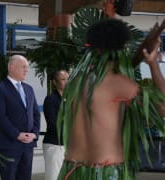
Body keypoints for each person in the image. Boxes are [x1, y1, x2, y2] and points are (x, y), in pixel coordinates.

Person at [57, 19, 165, 179]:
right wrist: (153, 63)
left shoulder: (76, 82)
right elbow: (162, 107)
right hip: (106, 172)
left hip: (72, 170)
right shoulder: (119, 84)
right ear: (121, 48)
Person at [0, 54, 40, 180]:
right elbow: (0, 117)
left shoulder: (29, 89)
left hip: (28, 145)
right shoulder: (0, 88)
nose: (26, 70)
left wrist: (34, 134)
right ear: (11, 67)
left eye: (27, 67)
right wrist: (17, 135)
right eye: (23, 66)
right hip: (9, 145)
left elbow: (36, 114)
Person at [43, 70, 69, 180]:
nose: (67, 82)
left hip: (69, 145)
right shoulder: (51, 100)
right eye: (63, 79)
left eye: (68, 79)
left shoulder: (71, 99)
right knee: (54, 177)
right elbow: (53, 124)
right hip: (55, 145)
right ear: (55, 82)